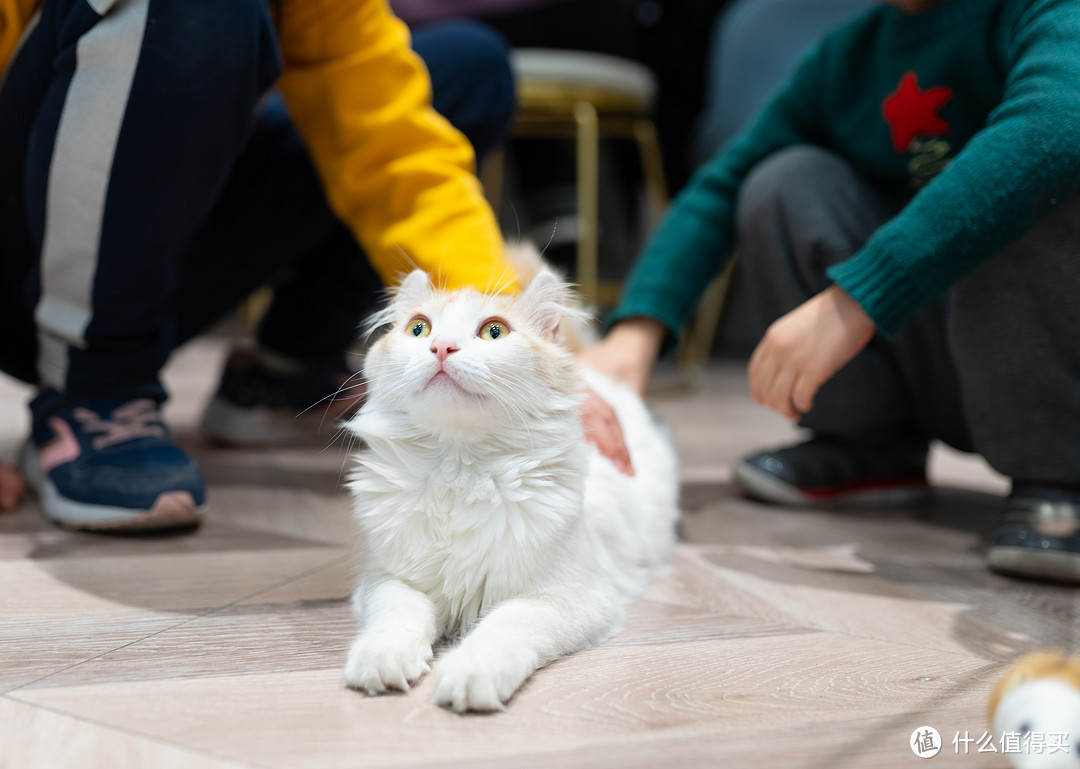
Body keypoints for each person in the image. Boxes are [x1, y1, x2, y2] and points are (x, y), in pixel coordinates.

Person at [584, 0, 1080, 583]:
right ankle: (872, 447)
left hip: (1053, 361)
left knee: (1039, 169)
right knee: (784, 180)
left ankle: (1060, 475)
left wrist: (858, 297)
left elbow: (1058, 121)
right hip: (948, 352)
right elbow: (725, 183)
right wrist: (636, 334)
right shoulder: (848, 55)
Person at [0, 0, 518, 531]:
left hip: (156, 250)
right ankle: (95, 390)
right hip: (26, 262)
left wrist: (505, 346)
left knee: (465, 68)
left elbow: (397, 154)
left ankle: (283, 373)